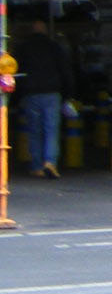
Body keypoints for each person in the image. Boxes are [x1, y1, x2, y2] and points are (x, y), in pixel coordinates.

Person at [10, 14, 71, 180]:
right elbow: (65, 71)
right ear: (45, 30)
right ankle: (50, 162)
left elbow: (15, 70)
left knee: (34, 131)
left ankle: (36, 166)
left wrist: (16, 97)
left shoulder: (23, 48)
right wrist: (68, 94)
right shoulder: (54, 47)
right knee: (51, 130)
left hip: (31, 94)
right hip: (52, 93)